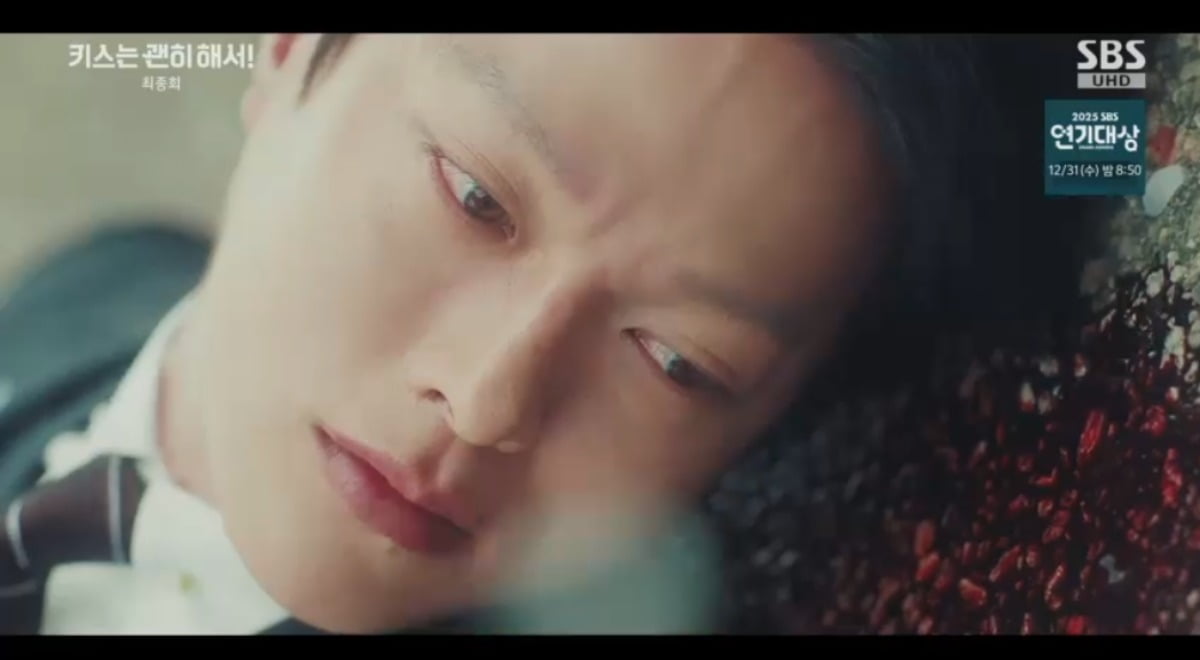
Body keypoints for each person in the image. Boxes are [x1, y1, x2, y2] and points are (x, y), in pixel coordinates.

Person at [0, 33, 1101, 634]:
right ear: (292, 51)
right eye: (474, 197)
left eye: (677, 362)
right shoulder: (107, 278)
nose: (488, 400)